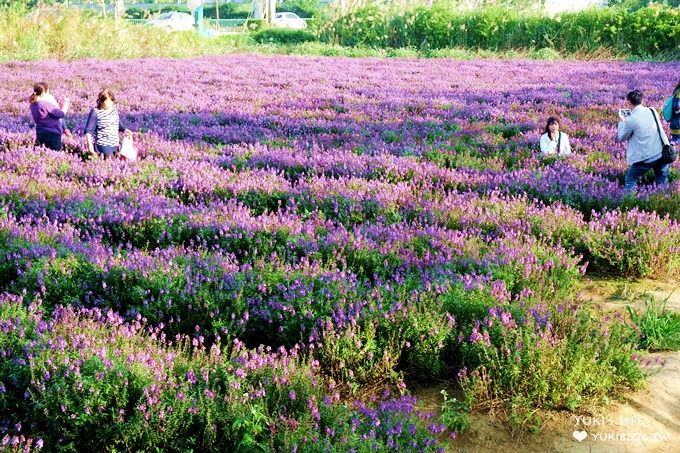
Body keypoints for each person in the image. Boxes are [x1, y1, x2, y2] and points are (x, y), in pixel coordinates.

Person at [616, 89, 670, 193]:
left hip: (645, 158)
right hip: (661, 153)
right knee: (661, 180)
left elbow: (621, 137)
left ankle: (630, 201)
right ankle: (664, 198)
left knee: (630, 178)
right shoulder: (652, 110)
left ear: (628, 102)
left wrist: (622, 121)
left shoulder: (631, 119)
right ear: (642, 100)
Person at [85, 89, 131, 159]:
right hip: (103, 144)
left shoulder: (114, 109)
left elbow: (117, 122)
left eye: (112, 101)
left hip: (114, 143)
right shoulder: (96, 112)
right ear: (102, 101)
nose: (110, 104)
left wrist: (124, 130)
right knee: (108, 162)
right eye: (108, 102)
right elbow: (88, 130)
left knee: (115, 162)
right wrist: (90, 146)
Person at [29, 82, 70, 151]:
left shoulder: (33, 105)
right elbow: (61, 114)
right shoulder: (45, 104)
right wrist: (66, 104)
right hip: (52, 134)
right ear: (44, 92)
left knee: (44, 153)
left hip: (40, 133)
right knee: (56, 154)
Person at [666, 79, 680, 144]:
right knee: (676, 143)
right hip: (677, 125)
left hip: (675, 124)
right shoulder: (678, 93)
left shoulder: (677, 91)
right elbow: (676, 107)